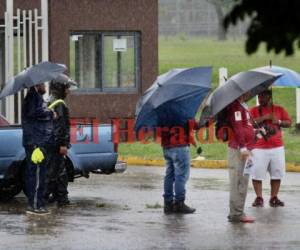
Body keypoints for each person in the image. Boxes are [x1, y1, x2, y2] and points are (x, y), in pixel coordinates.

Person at [247, 89, 291, 207]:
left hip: (277, 147)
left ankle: (274, 197)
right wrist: (264, 117)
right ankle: (259, 198)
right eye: (259, 96)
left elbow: (289, 123)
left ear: (269, 97)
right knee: (257, 174)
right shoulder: (253, 110)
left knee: (276, 173)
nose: (260, 99)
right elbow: (249, 123)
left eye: (263, 96)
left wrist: (279, 121)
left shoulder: (279, 109)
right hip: (258, 147)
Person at [22, 83, 56, 215]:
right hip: (35, 142)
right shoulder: (32, 97)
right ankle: (35, 205)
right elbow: (35, 113)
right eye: (43, 85)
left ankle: (37, 203)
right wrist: (50, 112)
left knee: (38, 172)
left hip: (37, 140)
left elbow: (37, 113)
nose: (45, 88)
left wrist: (47, 110)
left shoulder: (35, 97)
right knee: (36, 173)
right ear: (37, 84)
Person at [226, 92, 256, 223]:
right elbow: (238, 127)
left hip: (247, 149)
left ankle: (237, 211)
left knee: (243, 180)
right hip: (239, 149)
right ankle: (236, 213)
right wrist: (243, 147)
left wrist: (256, 132)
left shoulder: (243, 105)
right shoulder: (235, 106)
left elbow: (245, 125)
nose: (249, 91)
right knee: (238, 181)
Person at [160, 119, 198, 214]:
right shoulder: (181, 109)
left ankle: (168, 204)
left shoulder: (162, 111)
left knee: (169, 175)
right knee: (181, 176)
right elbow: (194, 124)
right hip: (180, 146)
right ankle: (179, 204)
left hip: (166, 146)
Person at [44, 79, 72, 207]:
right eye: (66, 88)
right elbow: (61, 127)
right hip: (56, 144)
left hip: (49, 142)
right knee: (59, 173)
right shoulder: (59, 103)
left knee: (53, 171)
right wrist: (63, 144)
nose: (68, 91)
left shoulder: (49, 101)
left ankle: (54, 197)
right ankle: (60, 199)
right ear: (60, 88)